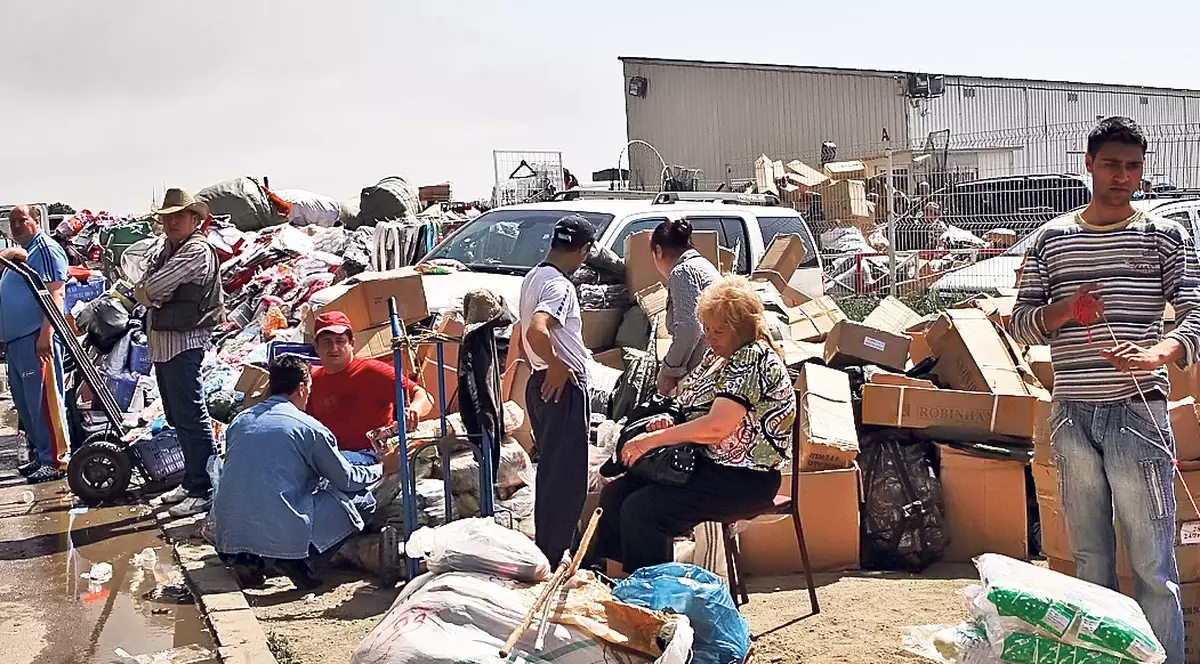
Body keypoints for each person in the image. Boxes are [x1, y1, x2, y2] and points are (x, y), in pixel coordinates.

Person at [1009, 116, 1200, 663]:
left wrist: (1158, 353)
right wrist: (1066, 310)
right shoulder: (1052, 240)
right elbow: (1020, 323)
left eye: (1133, 166)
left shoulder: (1163, 236)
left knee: (1153, 565)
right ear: (1089, 164)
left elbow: (1195, 311)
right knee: (1090, 562)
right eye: (1112, 164)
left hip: (1139, 413)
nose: (1123, 176)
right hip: (1073, 415)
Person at [590, 276, 795, 575]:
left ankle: (652, 592)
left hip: (744, 480)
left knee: (644, 510)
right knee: (617, 494)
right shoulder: (717, 357)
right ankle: (618, 579)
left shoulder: (752, 357)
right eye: (707, 329)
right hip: (706, 468)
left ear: (741, 328)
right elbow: (687, 404)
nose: (711, 338)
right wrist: (669, 419)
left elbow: (717, 427)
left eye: (719, 331)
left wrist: (652, 440)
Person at [212, 354, 395, 590]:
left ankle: (253, 560)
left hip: (228, 537)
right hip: (280, 528)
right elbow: (346, 480)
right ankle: (302, 561)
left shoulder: (240, 421)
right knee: (363, 501)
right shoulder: (309, 427)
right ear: (302, 388)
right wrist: (382, 469)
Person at [135, 189, 223, 518]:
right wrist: (150, 291)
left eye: (180, 216)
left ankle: (204, 488)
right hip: (164, 344)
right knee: (176, 416)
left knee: (191, 415)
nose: (172, 222)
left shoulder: (197, 250)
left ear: (195, 219)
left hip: (184, 344)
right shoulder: (166, 249)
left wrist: (151, 293)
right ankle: (191, 480)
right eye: (168, 217)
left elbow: (152, 288)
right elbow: (143, 284)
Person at [519, 214, 594, 562]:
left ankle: (556, 548)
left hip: (541, 383)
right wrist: (557, 364)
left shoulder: (533, 276)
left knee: (552, 471)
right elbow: (537, 329)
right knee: (566, 477)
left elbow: (523, 334)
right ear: (584, 250)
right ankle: (557, 555)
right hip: (560, 386)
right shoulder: (560, 285)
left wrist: (542, 366)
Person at [0, 205, 71, 484]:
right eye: (13, 222)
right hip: (17, 342)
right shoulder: (25, 251)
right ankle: (42, 456)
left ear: (37, 220)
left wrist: (45, 334)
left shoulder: (46, 249)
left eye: (23, 220)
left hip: (36, 339)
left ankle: (55, 460)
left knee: (44, 402)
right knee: (27, 404)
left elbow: (56, 293)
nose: (17, 226)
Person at [307, 310, 433, 464]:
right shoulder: (312, 381)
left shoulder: (372, 371)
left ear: (352, 344)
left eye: (340, 341)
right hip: (332, 453)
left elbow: (423, 395)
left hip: (371, 453)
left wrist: (414, 410)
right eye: (327, 342)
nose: (334, 348)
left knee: (329, 464)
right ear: (316, 347)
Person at [650, 219, 721, 396]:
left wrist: (669, 371)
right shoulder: (702, 265)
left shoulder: (682, 272)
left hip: (708, 364)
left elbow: (689, 328)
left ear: (658, 251)